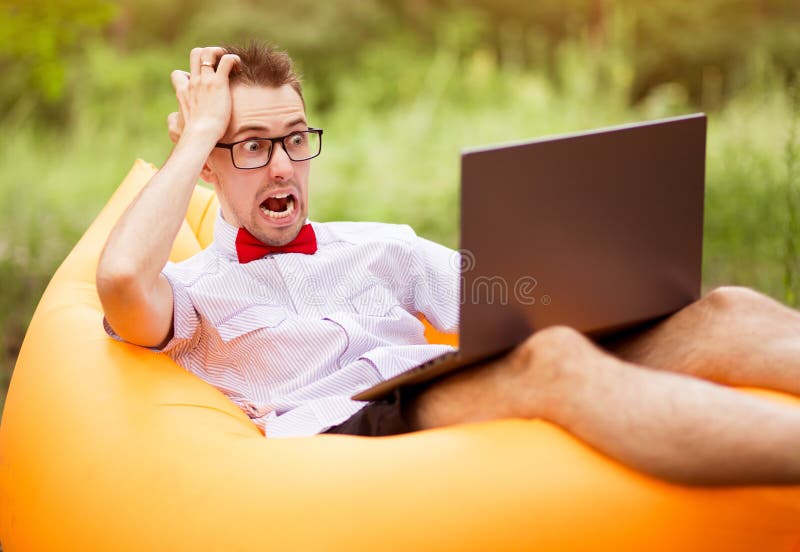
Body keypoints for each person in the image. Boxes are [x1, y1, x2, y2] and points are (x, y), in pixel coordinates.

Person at [96, 41, 800, 486]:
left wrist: (608, 287)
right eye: (250, 146)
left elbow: (513, 297)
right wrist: (195, 140)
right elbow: (122, 279)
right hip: (343, 429)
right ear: (211, 170)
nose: (282, 167)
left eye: (293, 140)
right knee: (551, 360)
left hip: (428, 382)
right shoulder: (190, 295)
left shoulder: (382, 246)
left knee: (724, 310)